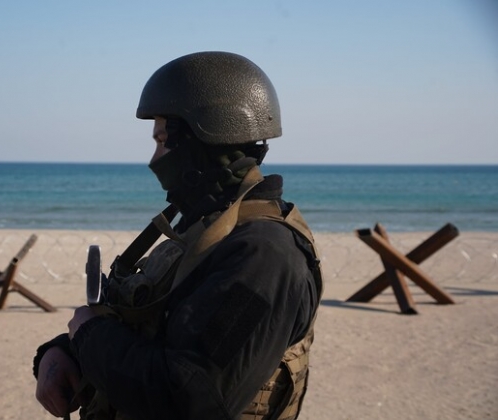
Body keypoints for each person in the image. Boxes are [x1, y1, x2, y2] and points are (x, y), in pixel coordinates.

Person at [33, 51, 323, 420]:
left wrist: (89, 335)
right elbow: (158, 330)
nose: (154, 160)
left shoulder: (263, 255)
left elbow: (190, 396)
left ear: (203, 139)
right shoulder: (208, 231)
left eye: (162, 140)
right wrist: (65, 350)